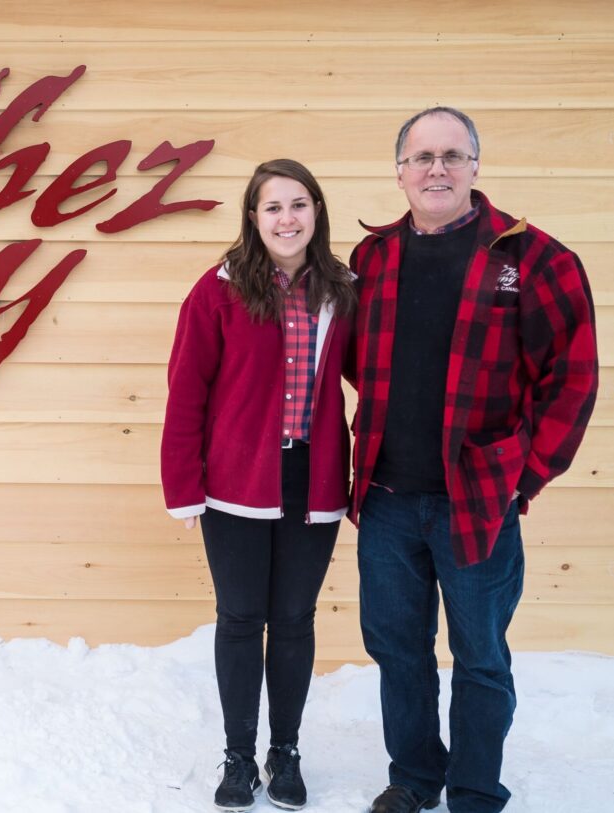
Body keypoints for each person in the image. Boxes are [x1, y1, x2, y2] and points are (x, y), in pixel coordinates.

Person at [349, 107, 598, 813]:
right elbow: (356, 363)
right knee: (397, 649)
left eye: (452, 156)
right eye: (421, 156)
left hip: (479, 500)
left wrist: (526, 472)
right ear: (399, 171)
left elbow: (571, 375)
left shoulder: (532, 258)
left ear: (474, 167)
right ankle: (413, 777)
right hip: (387, 498)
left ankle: (473, 788)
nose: (436, 169)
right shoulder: (372, 259)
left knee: (480, 656)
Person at [161, 159, 356, 812]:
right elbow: (186, 390)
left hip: (313, 479)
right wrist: (183, 486)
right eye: (272, 207)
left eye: (298, 204)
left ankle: (286, 750)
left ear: (315, 211)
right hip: (237, 482)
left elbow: (374, 378)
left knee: (294, 619)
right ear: (252, 217)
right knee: (241, 618)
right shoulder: (217, 290)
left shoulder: (341, 289)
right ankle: (239, 756)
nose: (286, 218)